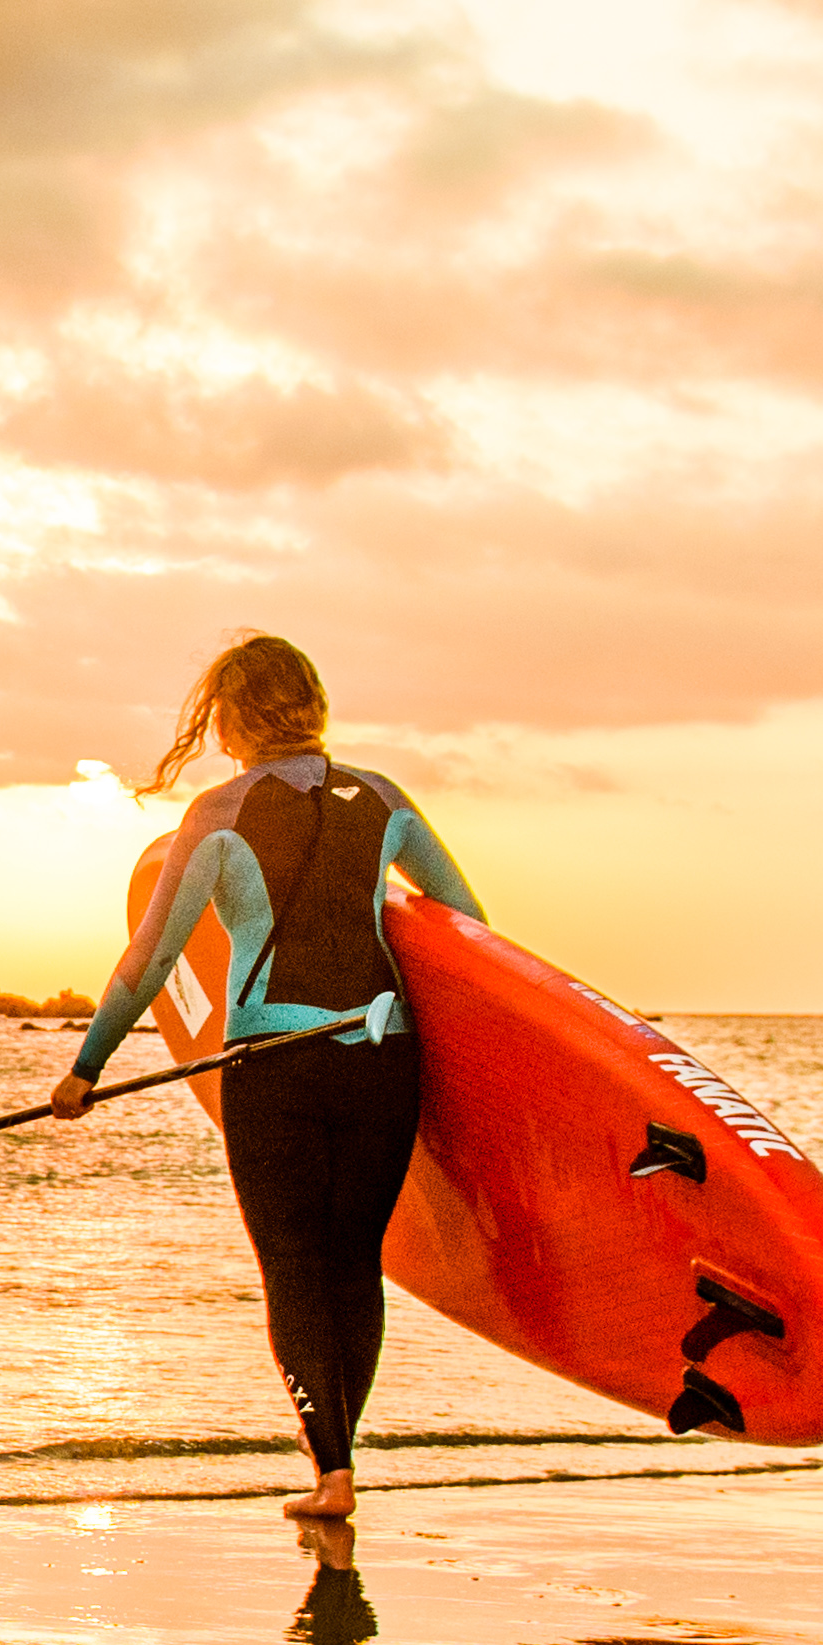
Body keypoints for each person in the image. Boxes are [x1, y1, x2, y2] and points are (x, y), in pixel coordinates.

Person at [43, 634, 486, 1537]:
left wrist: (86, 1069)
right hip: (381, 1055)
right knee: (354, 1264)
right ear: (314, 699)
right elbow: (467, 925)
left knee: (292, 1266)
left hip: (272, 1068)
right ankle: (341, 1464)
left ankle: (330, 1468)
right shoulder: (385, 798)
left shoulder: (217, 814)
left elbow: (150, 960)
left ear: (232, 718)